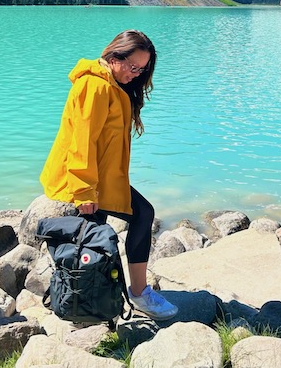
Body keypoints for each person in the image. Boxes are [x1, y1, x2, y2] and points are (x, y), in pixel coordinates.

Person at [40, 29, 178, 321]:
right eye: (132, 66)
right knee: (134, 218)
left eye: (141, 69)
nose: (136, 74)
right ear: (115, 56)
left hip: (103, 178)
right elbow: (83, 140)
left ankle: (96, 302)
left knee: (99, 238)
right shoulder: (95, 85)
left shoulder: (112, 84)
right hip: (86, 180)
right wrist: (85, 191)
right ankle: (104, 302)